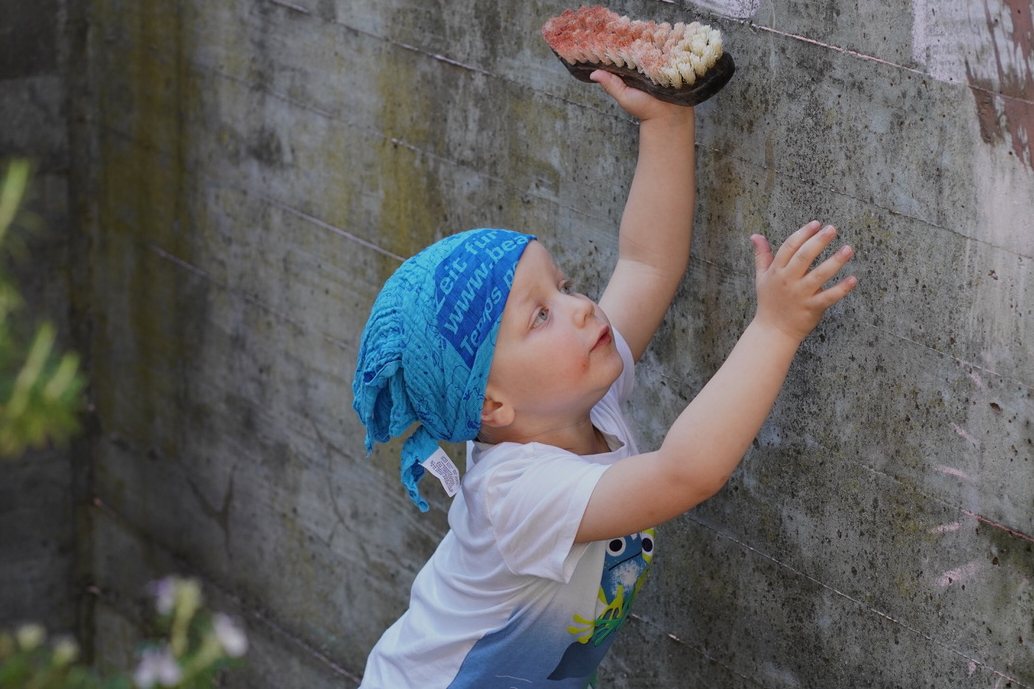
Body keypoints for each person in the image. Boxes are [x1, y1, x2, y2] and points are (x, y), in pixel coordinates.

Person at [351, 69, 857, 688]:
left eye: (562, 288)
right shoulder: (516, 493)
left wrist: (666, 120)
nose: (582, 306)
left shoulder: (577, 399)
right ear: (492, 402)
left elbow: (646, 264)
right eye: (540, 316)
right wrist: (776, 329)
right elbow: (687, 471)